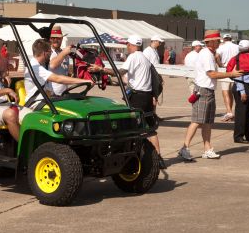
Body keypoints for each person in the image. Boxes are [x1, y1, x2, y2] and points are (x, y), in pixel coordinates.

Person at [90, 35, 163, 163]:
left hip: (137, 97)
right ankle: (158, 157)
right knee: (150, 129)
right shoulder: (145, 57)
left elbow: (120, 72)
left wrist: (101, 69)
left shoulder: (134, 56)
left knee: (133, 129)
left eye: (127, 44)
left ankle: (136, 157)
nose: (127, 47)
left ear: (132, 45)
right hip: (147, 96)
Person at [177, 30, 243, 161]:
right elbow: (211, 74)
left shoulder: (210, 54)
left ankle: (207, 149)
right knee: (196, 121)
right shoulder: (206, 54)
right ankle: (184, 148)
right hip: (203, 91)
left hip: (208, 91)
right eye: (218, 41)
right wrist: (231, 74)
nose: (219, 43)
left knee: (207, 122)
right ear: (211, 42)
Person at [24, 39, 90, 110]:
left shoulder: (43, 65)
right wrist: (84, 81)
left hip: (45, 101)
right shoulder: (35, 67)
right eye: (50, 51)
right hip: (35, 104)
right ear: (44, 53)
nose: (51, 53)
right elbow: (57, 79)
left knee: (77, 105)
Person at [227, 40, 249, 144]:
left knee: (248, 113)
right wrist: (242, 91)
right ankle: (238, 137)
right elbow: (237, 77)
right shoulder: (239, 60)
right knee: (241, 114)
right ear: (248, 49)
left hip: (246, 87)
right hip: (241, 88)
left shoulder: (243, 58)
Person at [216, 33, 239, 122]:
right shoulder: (237, 47)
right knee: (233, 92)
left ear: (224, 39)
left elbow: (217, 56)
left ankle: (229, 112)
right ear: (231, 39)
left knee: (225, 91)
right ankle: (231, 111)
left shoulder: (221, 47)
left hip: (225, 69)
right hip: (235, 70)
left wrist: (220, 64)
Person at [48, 24, 74, 96]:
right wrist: (64, 52)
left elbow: (65, 71)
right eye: (53, 38)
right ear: (50, 39)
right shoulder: (48, 52)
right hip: (52, 93)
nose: (56, 40)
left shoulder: (64, 53)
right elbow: (52, 65)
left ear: (62, 39)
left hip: (64, 92)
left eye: (58, 38)